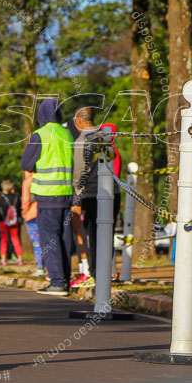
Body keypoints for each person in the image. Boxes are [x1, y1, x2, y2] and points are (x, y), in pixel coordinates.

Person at [21, 100, 75, 296]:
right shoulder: (67, 133)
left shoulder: (40, 135)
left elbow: (26, 163)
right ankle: (65, 280)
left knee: (49, 239)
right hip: (67, 195)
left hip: (47, 195)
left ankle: (58, 282)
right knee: (63, 239)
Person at [71, 107, 122, 288]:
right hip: (113, 190)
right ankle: (107, 271)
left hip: (92, 193)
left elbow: (79, 171)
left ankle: (96, 273)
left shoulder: (81, 141)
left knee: (92, 234)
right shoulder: (105, 135)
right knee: (108, 232)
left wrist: (77, 192)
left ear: (79, 121)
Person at [21, 171, 44, 276]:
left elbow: (25, 199)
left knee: (37, 243)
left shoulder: (28, 181)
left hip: (32, 214)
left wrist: (24, 212)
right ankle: (49, 267)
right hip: (45, 212)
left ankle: (41, 267)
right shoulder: (43, 176)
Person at [0, 180, 23, 266]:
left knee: (4, 240)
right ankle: (20, 259)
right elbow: (19, 207)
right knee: (16, 240)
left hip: (3, 221)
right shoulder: (16, 196)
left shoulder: (1, 198)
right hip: (14, 221)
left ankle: (3, 260)